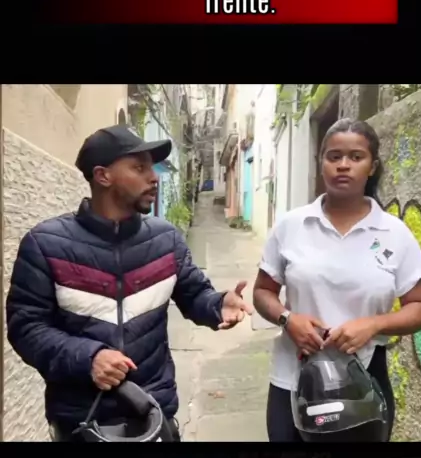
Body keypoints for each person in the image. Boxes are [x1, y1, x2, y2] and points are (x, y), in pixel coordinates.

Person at [6, 125, 252, 441]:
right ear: (102, 176)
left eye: (152, 167)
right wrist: (89, 358)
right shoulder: (45, 245)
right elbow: (26, 328)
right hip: (81, 423)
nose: (154, 177)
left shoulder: (166, 240)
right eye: (139, 168)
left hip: (155, 415)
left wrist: (218, 304)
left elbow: (194, 294)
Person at [253, 118, 421, 442]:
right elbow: (263, 292)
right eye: (334, 156)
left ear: (372, 166)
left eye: (355, 157)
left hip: (364, 382)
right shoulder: (291, 226)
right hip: (292, 379)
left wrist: (373, 325)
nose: (343, 165)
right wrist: (288, 319)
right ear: (321, 162)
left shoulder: (394, 233)